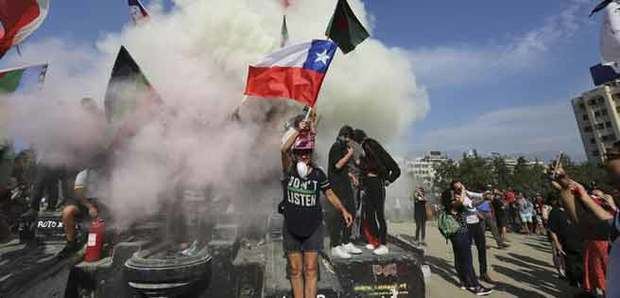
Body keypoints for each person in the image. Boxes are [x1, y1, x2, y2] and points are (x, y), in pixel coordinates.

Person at [280, 119, 353, 298]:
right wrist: (299, 130)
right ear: (295, 154)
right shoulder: (289, 171)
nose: (304, 155)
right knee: (296, 271)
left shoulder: (318, 174)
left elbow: (329, 194)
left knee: (311, 269)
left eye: (307, 152)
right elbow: (283, 150)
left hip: (313, 227)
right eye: (301, 152)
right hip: (292, 228)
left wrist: (343, 209)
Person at [441, 189, 493, 296]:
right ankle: (476, 286)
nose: (458, 196)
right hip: (460, 234)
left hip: (456, 234)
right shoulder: (454, 205)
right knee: (467, 261)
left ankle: (464, 282)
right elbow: (465, 203)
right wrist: (464, 191)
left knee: (461, 259)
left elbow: (471, 204)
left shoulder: (449, 206)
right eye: (455, 195)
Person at [58, 153, 110, 258]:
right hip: (84, 203)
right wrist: (90, 207)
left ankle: (110, 241)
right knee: (67, 212)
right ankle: (71, 243)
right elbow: (79, 193)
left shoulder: (108, 174)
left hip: (102, 202)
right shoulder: (83, 174)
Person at [358, 130, 401, 255]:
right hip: (369, 185)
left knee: (379, 215)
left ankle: (383, 243)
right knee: (369, 214)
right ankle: (375, 240)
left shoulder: (369, 146)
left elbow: (396, 170)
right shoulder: (366, 153)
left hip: (377, 184)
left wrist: (388, 180)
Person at [327, 125, 361, 259]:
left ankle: (346, 241)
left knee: (351, 210)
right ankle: (335, 245)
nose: (348, 141)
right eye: (347, 138)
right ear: (342, 135)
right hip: (336, 185)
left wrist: (352, 176)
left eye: (350, 139)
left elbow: (343, 168)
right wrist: (349, 154)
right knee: (338, 215)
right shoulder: (336, 147)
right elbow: (337, 165)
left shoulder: (342, 148)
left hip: (345, 184)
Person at [450, 181, 494, 283]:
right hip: (467, 225)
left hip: (476, 223)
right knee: (466, 251)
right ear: (454, 189)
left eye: (460, 185)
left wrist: (486, 195)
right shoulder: (457, 197)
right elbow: (471, 205)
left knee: (482, 248)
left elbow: (478, 196)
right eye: (457, 187)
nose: (460, 188)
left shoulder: (467, 193)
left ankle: (483, 273)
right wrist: (484, 199)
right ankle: (467, 274)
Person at [546, 196, 584, 288]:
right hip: (567, 244)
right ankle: (575, 287)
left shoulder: (577, 210)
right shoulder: (555, 212)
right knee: (572, 268)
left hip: (581, 243)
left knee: (583, 268)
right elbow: (552, 230)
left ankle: (584, 287)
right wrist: (557, 244)